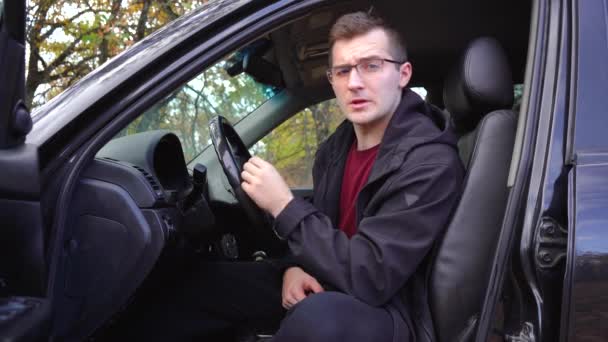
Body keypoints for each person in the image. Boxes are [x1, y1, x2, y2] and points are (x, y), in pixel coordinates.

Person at [131, 11, 463, 342]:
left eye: (372, 66)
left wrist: (284, 206)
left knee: (319, 319)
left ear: (403, 74)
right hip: (333, 275)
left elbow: (371, 277)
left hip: (392, 311)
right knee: (196, 285)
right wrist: (293, 267)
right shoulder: (337, 148)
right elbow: (323, 227)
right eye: (343, 70)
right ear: (332, 80)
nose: (355, 82)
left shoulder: (430, 163)